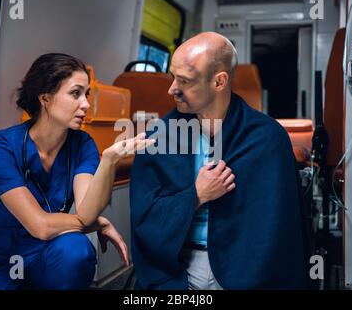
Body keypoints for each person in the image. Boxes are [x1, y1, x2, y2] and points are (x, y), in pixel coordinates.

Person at [130, 32, 307, 289]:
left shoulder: (267, 138)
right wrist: (197, 195)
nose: (172, 89)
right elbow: (145, 219)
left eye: (185, 81)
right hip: (177, 264)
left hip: (247, 266)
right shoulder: (160, 135)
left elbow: (278, 231)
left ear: (219, 82)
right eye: (173, 77)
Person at [0, 53, 153, 290]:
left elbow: (86, 212)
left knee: (76, 249)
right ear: (45, 98)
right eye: (76, 93)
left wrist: (109, 162)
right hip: (1, 254)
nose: (85, 104)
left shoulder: (83, 144)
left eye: (87, 94)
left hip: (48, 251)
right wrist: (98, 224)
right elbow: (40, 226)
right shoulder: (2, 145)